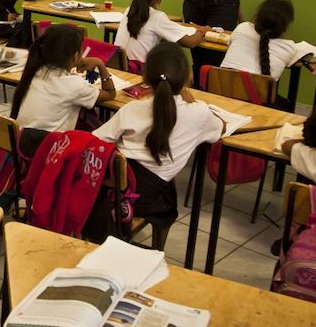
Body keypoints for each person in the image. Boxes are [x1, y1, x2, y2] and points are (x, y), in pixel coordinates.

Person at [93, 42, 224, 246]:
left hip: (109, 192)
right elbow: (220, 129)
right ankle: (158, 250)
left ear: (145, 79)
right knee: (168, 195)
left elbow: (96, 140)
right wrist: (193, 101)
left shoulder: (132, 109)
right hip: (146, 198)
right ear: (188, 77)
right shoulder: (199, 113)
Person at [12, 24, 116, 132]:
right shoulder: (75, 85)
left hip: (22, 137)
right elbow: (110, 93)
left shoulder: (36, 71)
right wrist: (100, 64)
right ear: (76, 56)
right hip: (48, 141)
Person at [115, 0, 205, 68]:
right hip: (140, 71)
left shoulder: (129, 11)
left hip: (118, 66)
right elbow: (190, 42)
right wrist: (202, 31)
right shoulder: (157, 17)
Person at [220, 0, 298, 80]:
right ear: (285, 28)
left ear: (257, 18)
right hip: (257, 88)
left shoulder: (242, 28)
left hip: (219, 86)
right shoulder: (289, 48)